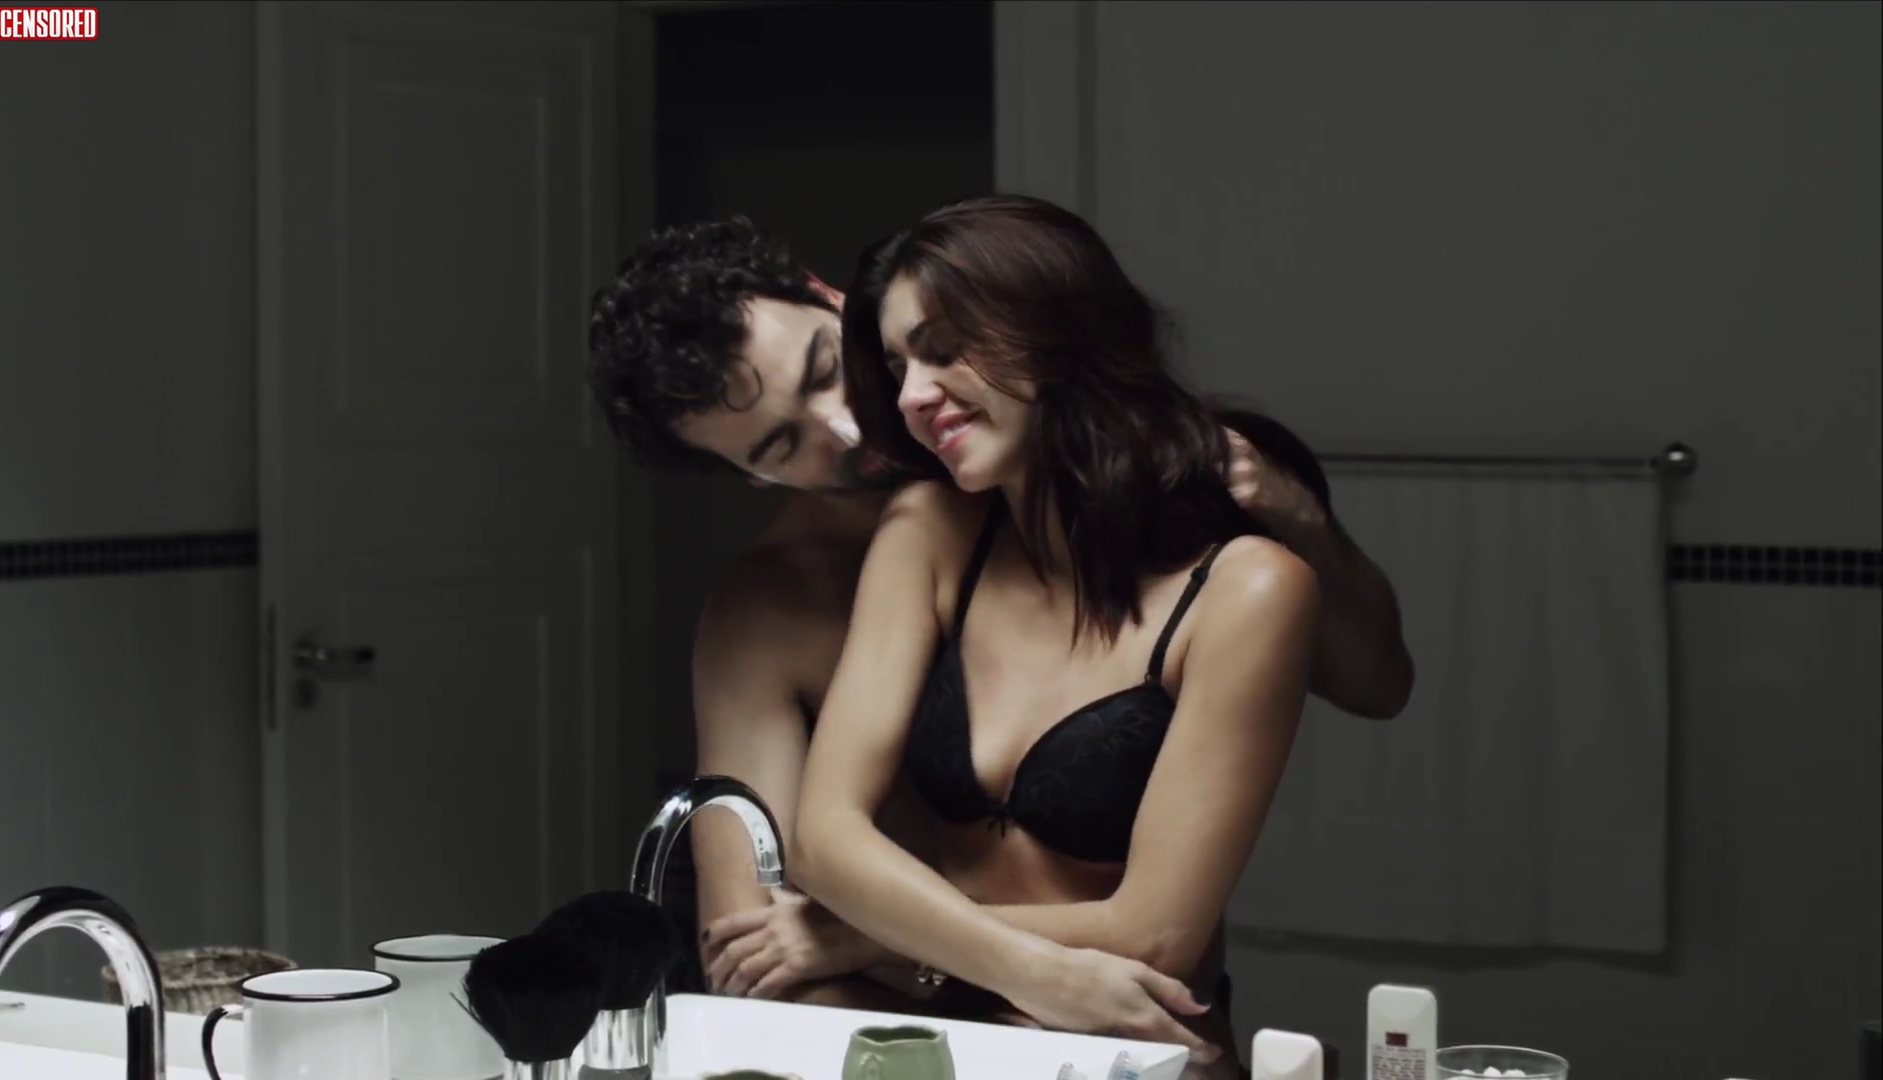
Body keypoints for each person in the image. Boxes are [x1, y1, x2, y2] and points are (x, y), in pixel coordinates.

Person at [586, 213, 1413, 1019]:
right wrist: (972, 1002)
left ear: (835, 298)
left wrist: (1306, 526)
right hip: (921, 1030)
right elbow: (755, 949)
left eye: (826, 369)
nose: (848, 425)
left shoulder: (1192, 514)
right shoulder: (785, 603)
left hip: (1132, 1022)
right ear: (751, 477)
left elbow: (1378, 687)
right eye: (779, 445)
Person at [786, 192, 1327, 1072]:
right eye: (897, 365)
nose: (913, 396)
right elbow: (824, 838)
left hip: (1128, 1055)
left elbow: (1154, 935)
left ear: (1053, 331)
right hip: (938, 1036)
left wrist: (875, 936)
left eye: (943, 348)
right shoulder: (928, 532)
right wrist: (1017, 968)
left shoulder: (1248, 592)